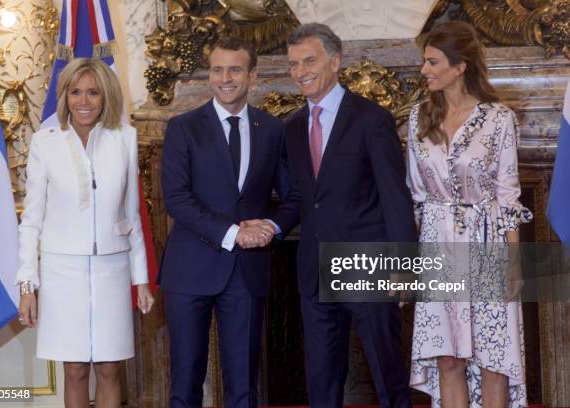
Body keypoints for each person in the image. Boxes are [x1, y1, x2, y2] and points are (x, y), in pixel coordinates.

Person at [159, 37, 298, 407]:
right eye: (217, 69)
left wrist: (271, 227)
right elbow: (176, 199)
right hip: (189, 269)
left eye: (234, 69)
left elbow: (293, 198)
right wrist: (234, 232)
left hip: (246, 273)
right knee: (185, 381)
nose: (225, 78)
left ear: (252, 76)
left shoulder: (272, 129)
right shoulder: (182, 128)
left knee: (244, 385)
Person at [284, 23, 417, 408]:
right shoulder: (291, 127)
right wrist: (270, 224)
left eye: (309, 60)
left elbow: (396, 197)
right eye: (293, 64)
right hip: (314, 270)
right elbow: (300, 197)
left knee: (387, 374)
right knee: (321, 381)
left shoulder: (372, 119)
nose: (300, 71)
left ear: (335, 61)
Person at [406, 21, 533, 407]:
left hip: (488, 243)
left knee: (494, 359)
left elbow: (508, 195)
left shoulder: (498, 119)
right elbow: (416, 194)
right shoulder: (417, 118)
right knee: (447, 359)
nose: (424, 70)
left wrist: (514, 263)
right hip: (438, 248)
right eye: (424, 61)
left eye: (433, 61)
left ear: (460, 66)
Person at [16, 58, 155, 408]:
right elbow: (31, 220)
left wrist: (141, 280)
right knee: (75, 369)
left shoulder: (125, 138)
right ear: (64, 96)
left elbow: (132, 215)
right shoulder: (45, 143)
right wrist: (28, 285)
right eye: (76, 92)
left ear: (105, 95)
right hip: (62, 273)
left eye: (93, 92)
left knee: (110, 368)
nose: (84, 101)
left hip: (113, 269)